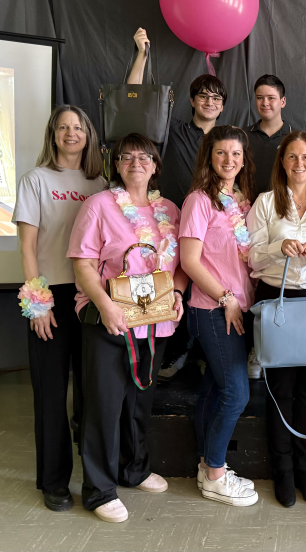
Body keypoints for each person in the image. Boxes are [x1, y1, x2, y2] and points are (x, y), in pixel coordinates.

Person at [68, 133, 188, 523]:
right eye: (127, 157)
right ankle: (99, 489)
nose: (136, 162)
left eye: (145, 157)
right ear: (116, 165)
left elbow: (180, 267)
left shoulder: (169, 209)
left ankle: (133, 470)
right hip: (110, 320)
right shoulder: (98, 205)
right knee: (103, 405)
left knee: (139, 402)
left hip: (154, 325)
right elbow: (83, 264)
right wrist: (104, 305)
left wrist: (179, 296)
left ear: (155, 165)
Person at [11, 105, 105, 512]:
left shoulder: (100, 182)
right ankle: (54, 482)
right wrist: (38, 304)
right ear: (53, 135)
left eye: (78, 127)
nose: (71, 133)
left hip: (91, 297)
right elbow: (27, 248)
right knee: (52, 394)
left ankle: (97, 480)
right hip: (50, 296)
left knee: (90, 393)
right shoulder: (35, 180)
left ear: (88, 135)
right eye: (63, 127)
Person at [246, 131, 306, 508]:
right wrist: (278, 246)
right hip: (277, 300)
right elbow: (252, 256)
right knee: (279, 391)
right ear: (282, 162)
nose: (299, 164)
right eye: (292, 157)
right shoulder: (266, 202)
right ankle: (283, 472)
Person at [127, 27, 228, 382]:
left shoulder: (227, 140)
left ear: (223, 105)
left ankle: (205, 352)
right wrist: (141, 54)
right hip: (172, 224)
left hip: (216, 229)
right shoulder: (174, 130)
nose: (210, 102)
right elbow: (136, 101)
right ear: (192, 100)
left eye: (216, 98)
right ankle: (171, 350)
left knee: (213, 285)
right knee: (176, 284)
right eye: (203, 95)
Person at [179, 125, 259, 507]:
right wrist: (226, 297)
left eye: (236, 154)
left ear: (244, 160)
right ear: (209, 157)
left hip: (237, 309)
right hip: (213, 309)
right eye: (222, 153)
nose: (229, 160)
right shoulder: (199, 201)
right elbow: (190, 261)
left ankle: (204, 465)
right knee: (235, 393)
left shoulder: (241, 202)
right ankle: (214, 474)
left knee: (213, 389)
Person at [245, 74, 297, 198]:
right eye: (260, 98)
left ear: (282, 101)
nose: (265, 103)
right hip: (246, 209)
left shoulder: (295, 138)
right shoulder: (242, 136)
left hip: (284, 209)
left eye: (271, 98)